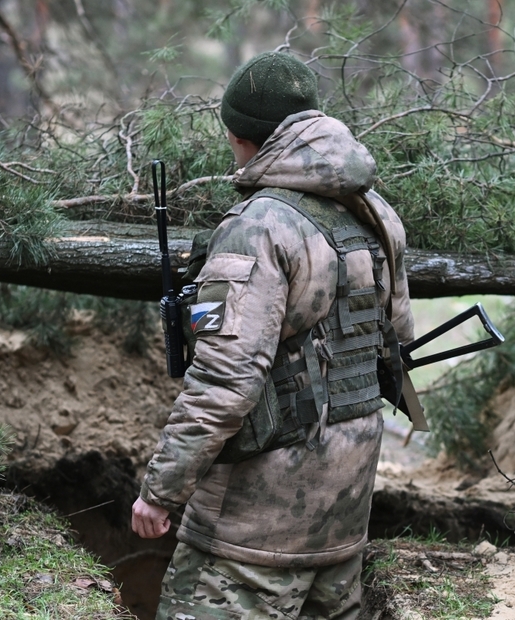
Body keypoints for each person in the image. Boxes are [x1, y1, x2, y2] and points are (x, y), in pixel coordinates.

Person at [131, 50, 416, 619]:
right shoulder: (376, 212)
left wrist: (160, 491)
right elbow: (397, 340)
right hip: (344, 511)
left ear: (241, 136)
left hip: (253, 531)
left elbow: (223, 379)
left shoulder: (256, 227)